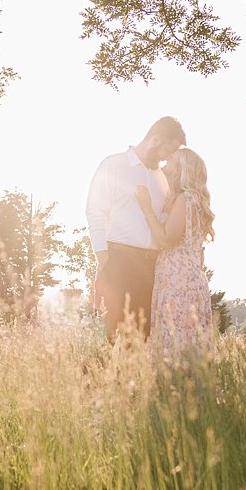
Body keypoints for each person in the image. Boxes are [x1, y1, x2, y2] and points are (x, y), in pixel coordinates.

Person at [86, 117, 187, 343]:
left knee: (140, 341)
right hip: (118, 261)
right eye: (167, 151)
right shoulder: (113, 165)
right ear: (156, 139)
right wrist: (104, 261)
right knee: (108, 338)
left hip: (151, 269)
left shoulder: (163, 178)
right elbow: (94, 213)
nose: (167, 158)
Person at [134, 147, 216, 361]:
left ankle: (176, 388)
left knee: (176, 341)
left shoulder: (186, 199)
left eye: (172, 159)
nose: (166, 160)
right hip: (184, 277)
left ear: (181, 169)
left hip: (178, 280)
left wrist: (146, 207)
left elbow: (166, 239)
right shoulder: (189, 199)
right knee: (185, 341)